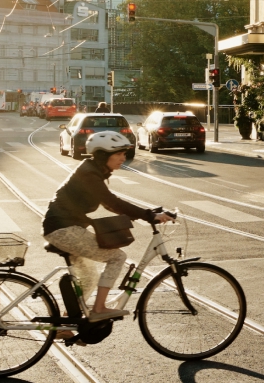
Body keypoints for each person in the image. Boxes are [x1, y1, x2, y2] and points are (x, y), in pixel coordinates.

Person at [42, 129, 175, 321]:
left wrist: (148, 213)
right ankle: (99, 308)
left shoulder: (93, 171)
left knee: (88, 278)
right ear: (104, 155)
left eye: (124, 154)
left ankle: (67, 324)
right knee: (117, 257)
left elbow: (109, 204)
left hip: (64, 229)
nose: (123, 158)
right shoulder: (89, 174)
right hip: (63, 230)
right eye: (119, 154)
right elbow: (112, 202)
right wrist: (148, 216)